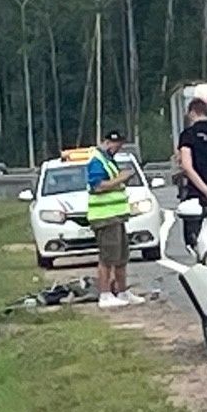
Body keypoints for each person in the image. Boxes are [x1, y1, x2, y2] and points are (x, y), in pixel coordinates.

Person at [84, 128, 140, 309]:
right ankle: (105, 294)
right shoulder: (96, 160)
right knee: (107, 257)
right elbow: (97, 186)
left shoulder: (109, 160)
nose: (117, 148)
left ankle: (122, 291)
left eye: (120, 145)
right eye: (114, 144)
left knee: (121, 255)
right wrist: (120, 178)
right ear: (106, 142)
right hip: (104, 217)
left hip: (116, 216)